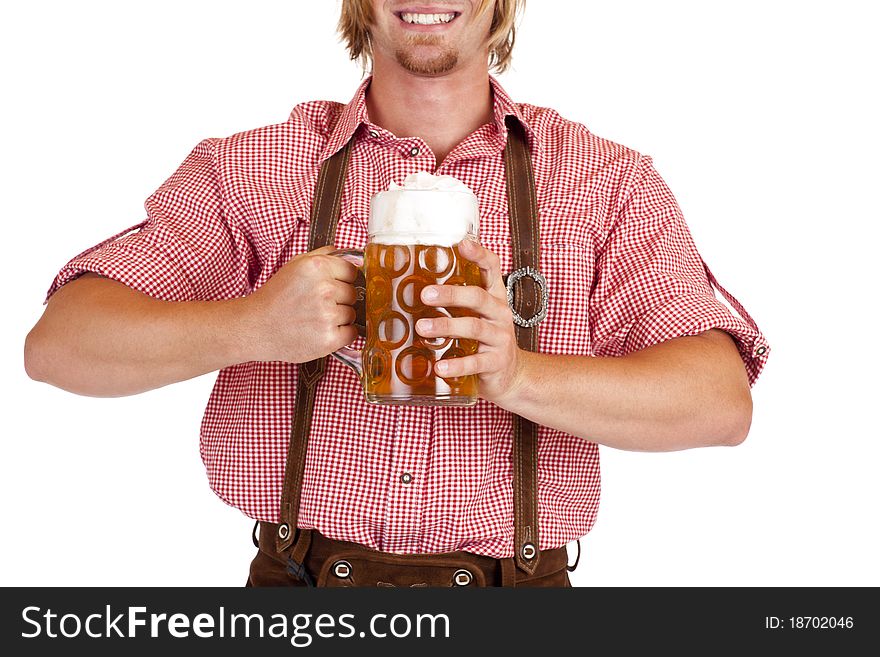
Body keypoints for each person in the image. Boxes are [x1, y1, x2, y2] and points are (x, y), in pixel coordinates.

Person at [24, 0, 769, 587]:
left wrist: (517, 374)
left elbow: (721, 402)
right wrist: (252, 326)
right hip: (299, 592)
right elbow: (59, 345)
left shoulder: (606, 184)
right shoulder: (254, 168)